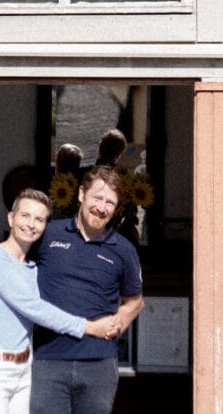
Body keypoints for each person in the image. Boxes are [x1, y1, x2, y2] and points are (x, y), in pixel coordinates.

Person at [0, 188, 118, 414]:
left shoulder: (33, 268)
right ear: (11, 218)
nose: (31, 224)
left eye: (39, 219)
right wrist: (90, 327)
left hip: (23, 369)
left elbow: (55, 298)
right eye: (25, 216)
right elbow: (33, 307)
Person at [31, 166, 145, 414]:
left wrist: (118, 322)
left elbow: (135, 301)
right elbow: (12, 270)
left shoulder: (123, 250)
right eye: (98, 198)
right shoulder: (48, 234)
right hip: (47, 359)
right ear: (82, 194)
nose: (102, 208)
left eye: (110, 203)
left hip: (99, 363)